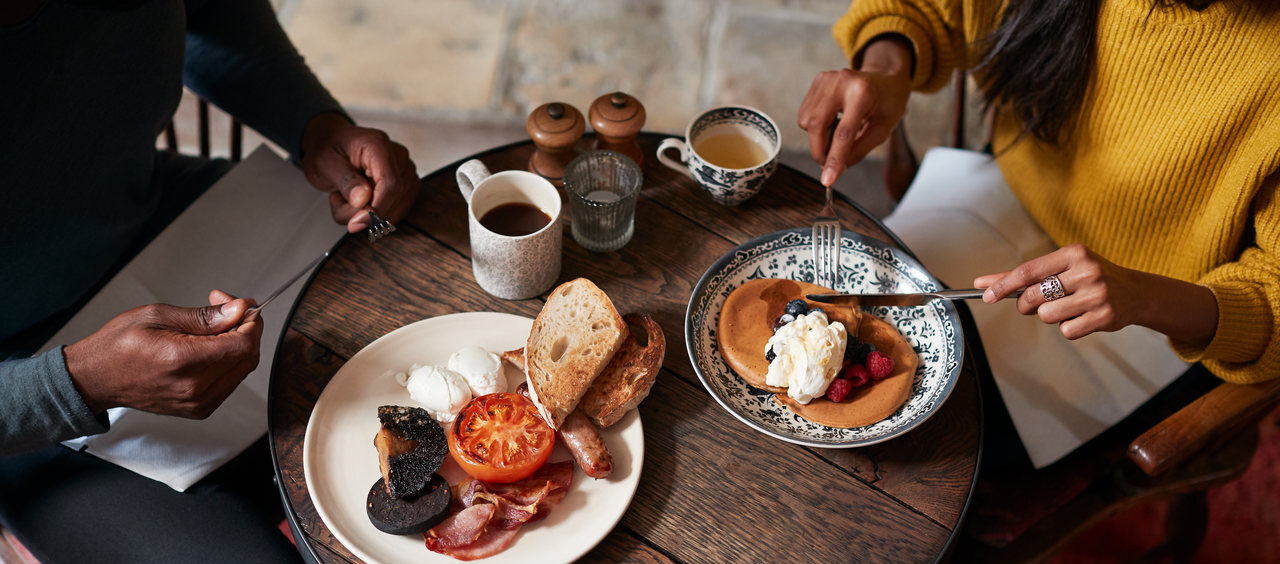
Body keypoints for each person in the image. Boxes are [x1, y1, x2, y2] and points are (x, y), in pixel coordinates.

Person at [0, 0, 421, 561]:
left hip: (162, 215)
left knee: (445, 329)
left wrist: (313, 125)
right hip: (27, 390)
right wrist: (75, 384)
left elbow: (215, 14)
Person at [798, 0, 1279, 467]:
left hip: (1161, 317)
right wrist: (886, 67)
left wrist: (1144, 297)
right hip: (1000, 189)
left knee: (931, 444)